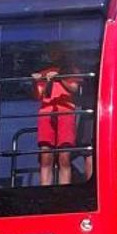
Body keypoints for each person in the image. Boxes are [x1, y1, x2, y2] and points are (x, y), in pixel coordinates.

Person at [32, 51, 81, 186]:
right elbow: (39, 95)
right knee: (46, 156)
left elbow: (74, 89)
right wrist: (38, 81)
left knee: (64, 157)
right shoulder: (44, 72)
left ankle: (64, 192)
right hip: (46, 112)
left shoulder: (72, 70)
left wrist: (60, 78)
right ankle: (45, 190)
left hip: (65, 112)